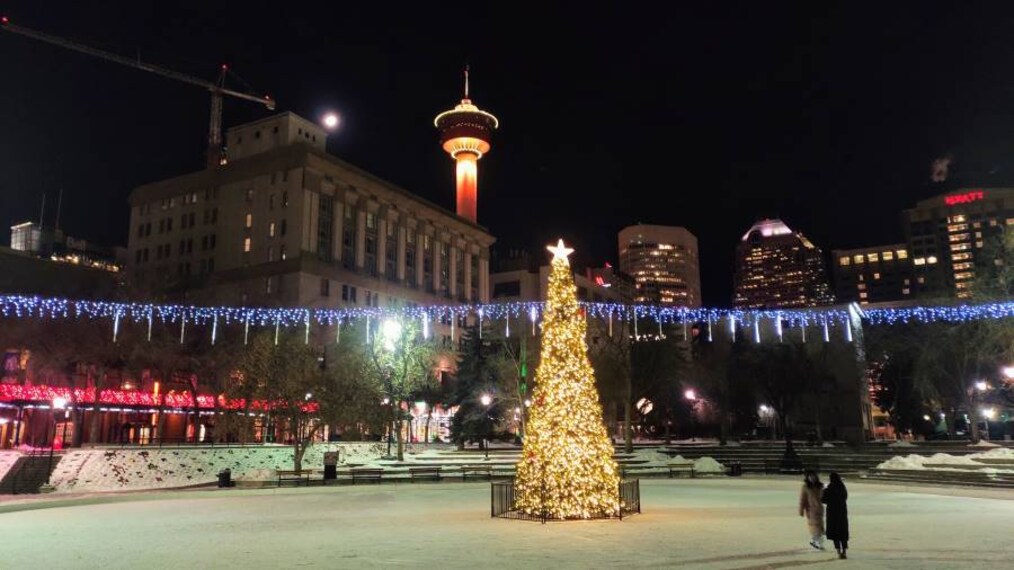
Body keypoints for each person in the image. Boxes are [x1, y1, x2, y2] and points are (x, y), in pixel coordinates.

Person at [822, 472, 850, 559]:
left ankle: (838, 551)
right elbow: (845, 497)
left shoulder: (829, 489)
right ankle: (844, 551)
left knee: (834, 532)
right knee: (842, 532)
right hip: (842, 512)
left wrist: (823, 491)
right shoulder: (842, 487)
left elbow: (823, 499)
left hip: (832, 512)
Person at [798, 470, 825, 550]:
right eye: (810, 476)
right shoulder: (805, 487)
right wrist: (801, 510)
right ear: (807, 478)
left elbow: (824, 497)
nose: (812, 478)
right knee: (815, 526)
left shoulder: (820, 486)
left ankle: (814, 541)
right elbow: (802, 499)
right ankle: (817, 542)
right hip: (811, 509)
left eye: (813, 476)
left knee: (820, 525)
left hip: (819, 509)